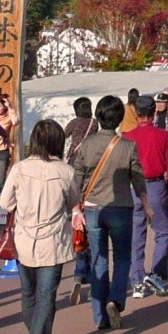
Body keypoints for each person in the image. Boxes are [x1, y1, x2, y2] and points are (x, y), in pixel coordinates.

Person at [0, 119, 81, 334]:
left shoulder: (20, 168)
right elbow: (73, 203)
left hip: (24, 239)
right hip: (53, 240)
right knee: (47, 296)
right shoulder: (66, 172)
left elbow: (4, 202)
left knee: (28, 294)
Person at [72, 94, 151, 331]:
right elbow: (137, 177)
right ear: (118, 119)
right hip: (121, 208)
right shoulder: (127, 146)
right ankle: (116, 299)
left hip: (94, 209)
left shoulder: (86, 145)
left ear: (98, 116)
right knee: (123, 257)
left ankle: (99, 316)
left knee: (99, 260)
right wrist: (146, 203)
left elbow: (77, 178)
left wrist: (76, 209)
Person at [127, 95, 168, 298]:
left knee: (136, 234)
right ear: (154, 112)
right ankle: (156, 273)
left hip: (132, 188)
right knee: (164, 231)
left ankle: (137, 280)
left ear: (136, 113)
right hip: (155, 186)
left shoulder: (127, 137)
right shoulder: (164, 136)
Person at [63, 96, 96, 304]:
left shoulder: (74, 123)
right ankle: (94, 283)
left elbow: (63, 134)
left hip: (74, 163)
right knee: (93, 238)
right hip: (91, 167)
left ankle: (77, 275)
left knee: (79, 230)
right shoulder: (95, 123)